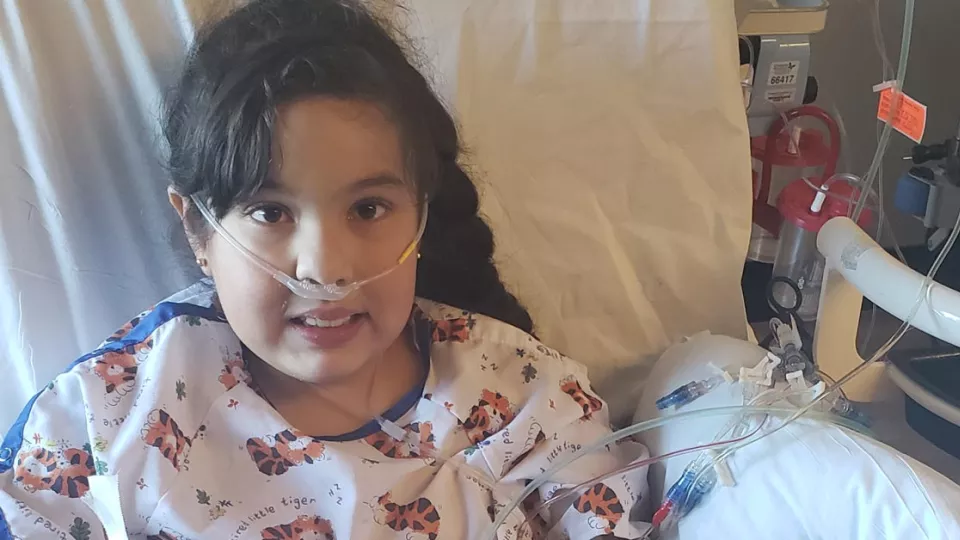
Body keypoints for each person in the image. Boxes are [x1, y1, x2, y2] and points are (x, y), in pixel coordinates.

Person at [0, 0, 649, 537]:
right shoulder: (107, 420)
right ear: (197, 228)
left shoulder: (528, 406)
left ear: (421, 210)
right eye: (270, 212)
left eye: (368, 207)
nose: (325, 269)